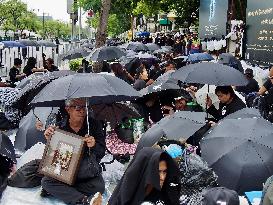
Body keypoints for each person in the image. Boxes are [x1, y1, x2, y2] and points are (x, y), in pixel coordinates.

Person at [41, 98, 106, 205]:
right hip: (65, 170)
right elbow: (53, 155)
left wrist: (93, 145)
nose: (82, 111)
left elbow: (101, 152)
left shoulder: (94, 125)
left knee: (99, 187)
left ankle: (60, 191)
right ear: (67, 109)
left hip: (86, 171)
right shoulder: (59, 126)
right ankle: (82, 201)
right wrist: (49, 140)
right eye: (77, 107)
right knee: (46, 182)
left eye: (85, 107)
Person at [108, 147, 181, 205]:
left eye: (164, 172)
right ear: (147, 172)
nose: (162, 177)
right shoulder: (126, 196)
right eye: (157, 172)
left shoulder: (165, 191)